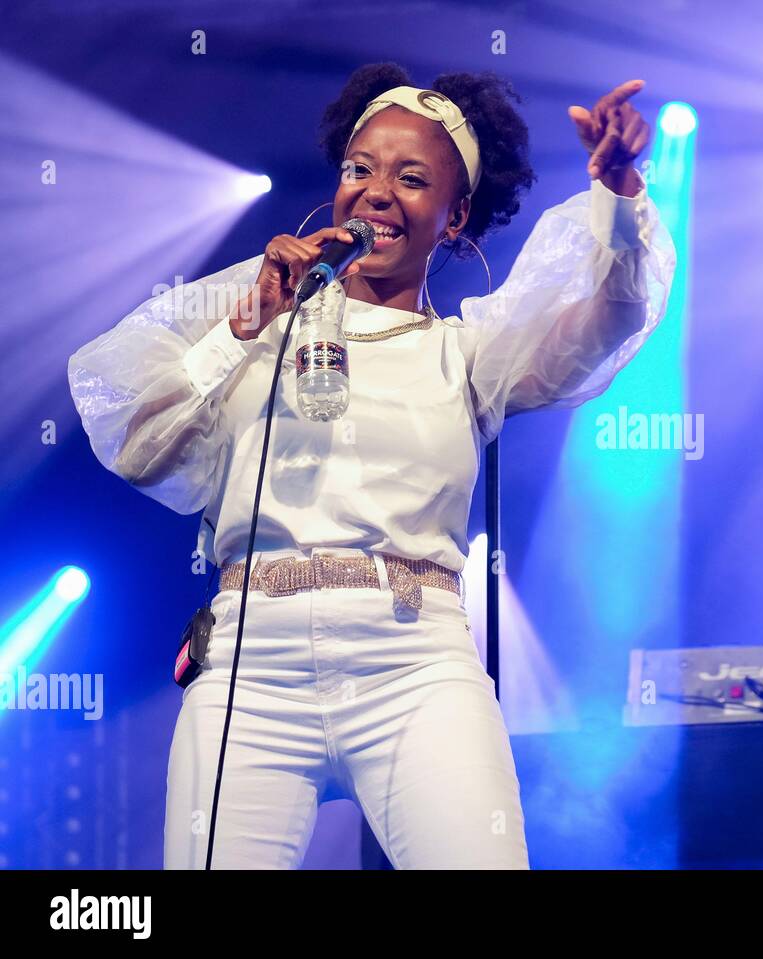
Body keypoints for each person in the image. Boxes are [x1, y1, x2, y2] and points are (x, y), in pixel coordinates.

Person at [66, 62, 675, 868]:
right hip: (254, 662)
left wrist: (622, 194)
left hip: (415, 661)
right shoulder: (259, 321)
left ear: (454, 217)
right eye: (359, 170)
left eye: (411, 178)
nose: (376, 191)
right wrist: (245, 329)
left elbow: (608, 319)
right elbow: (134, 436)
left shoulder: (468, 352)